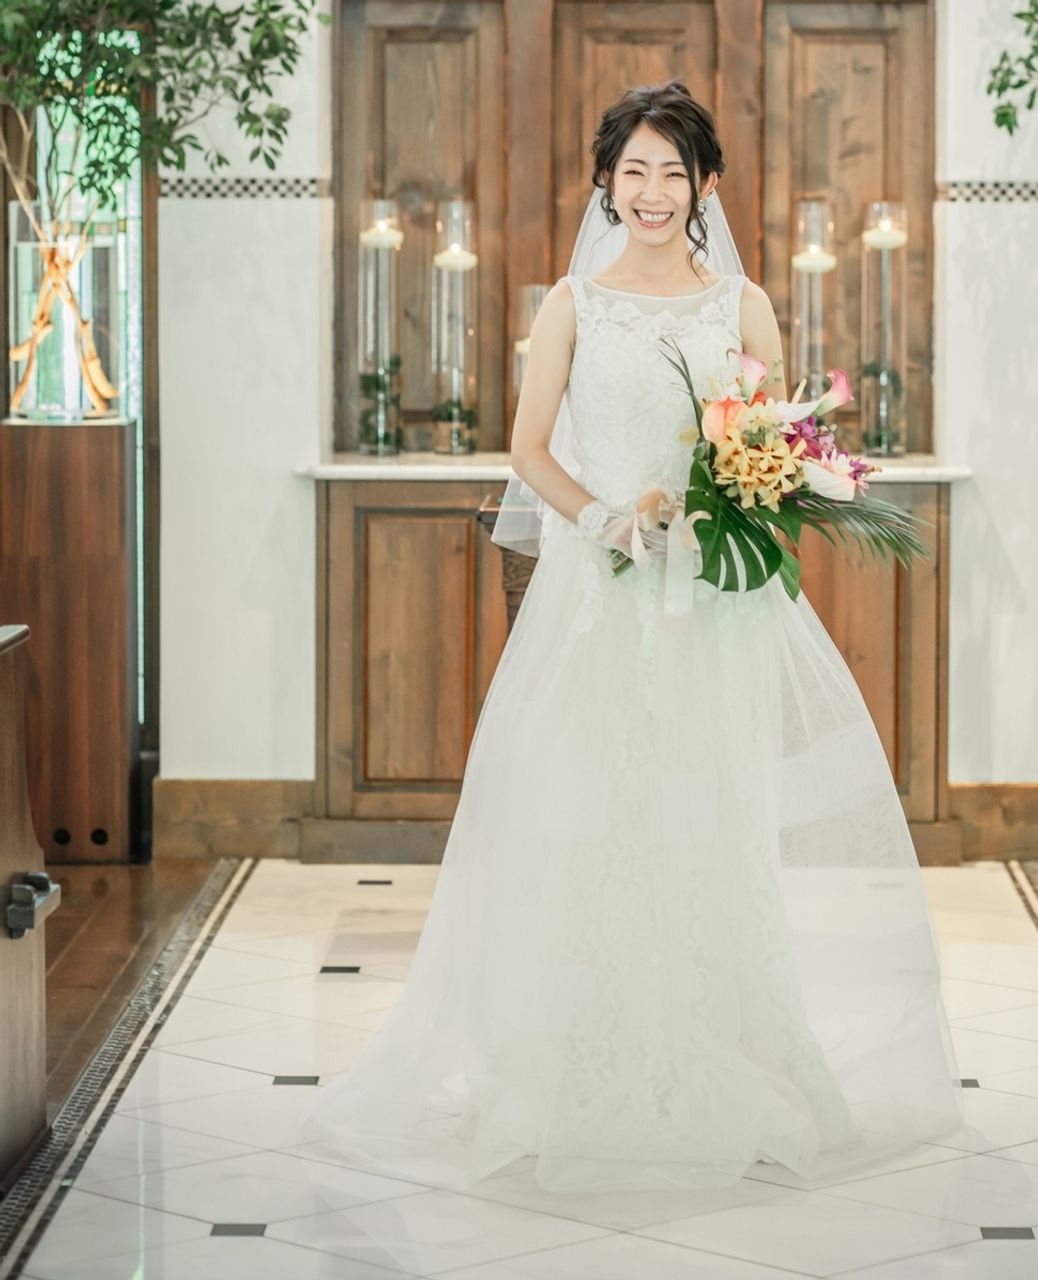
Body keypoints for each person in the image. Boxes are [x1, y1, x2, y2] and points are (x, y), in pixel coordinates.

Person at [299, 80, 964, 1194]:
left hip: (714, 607)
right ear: (606, 183)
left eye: (672, 173)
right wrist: (606, 518)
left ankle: (726, 1055)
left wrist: (728, 504)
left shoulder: (742, 306)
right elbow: (528, 448)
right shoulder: (574, 305)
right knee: (590, 821)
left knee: (713, 819)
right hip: (599, 598)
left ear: (706, 185)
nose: (652, 192)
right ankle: (574, 1067)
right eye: (633, 172)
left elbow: (769, 446)